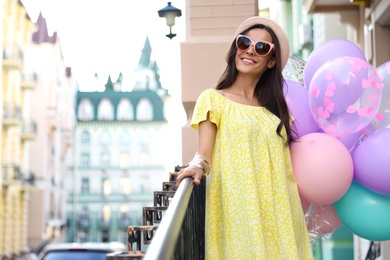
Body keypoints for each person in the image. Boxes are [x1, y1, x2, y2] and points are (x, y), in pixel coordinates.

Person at [175, 16, 314, 259]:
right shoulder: (213, 100)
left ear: (271, 61)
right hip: (239, 212)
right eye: (244, 42)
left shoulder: (277, 113)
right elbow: (203, 155)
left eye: (261, 47)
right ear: (236, 48)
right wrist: (196, 166)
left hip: (280, 211)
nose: (250, 50)